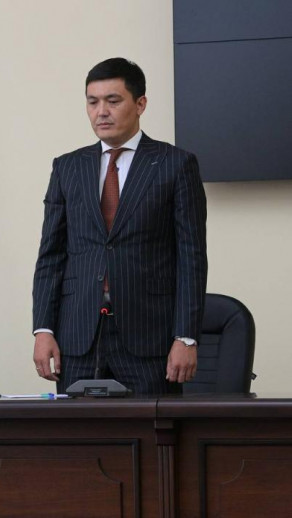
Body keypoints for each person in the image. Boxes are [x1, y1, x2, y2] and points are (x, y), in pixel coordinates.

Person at [32, 57, 207, 394]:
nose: (101, 112)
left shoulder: (175, 164)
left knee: (154, 427)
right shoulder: (67, 167)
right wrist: (43, 329)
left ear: (140, 104)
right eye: (93, 102)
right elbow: (50, 256)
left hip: (150, 337)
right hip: (78, 336)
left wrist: (186, 336)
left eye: (113, 101)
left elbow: (192, 258)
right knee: (79, 429)